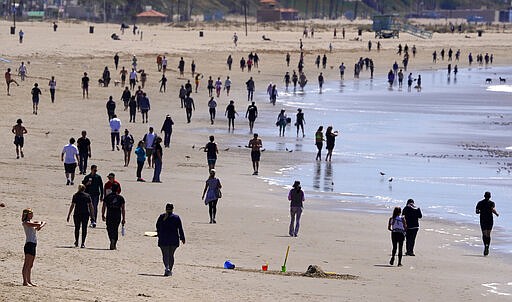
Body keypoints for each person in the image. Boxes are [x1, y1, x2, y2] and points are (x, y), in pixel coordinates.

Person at [156, 203, 185, 276]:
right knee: (171, 255)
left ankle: (167, 268)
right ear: (172, 209)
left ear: (166, 209)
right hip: (173, 239)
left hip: (163, 239)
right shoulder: (176, 217)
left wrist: (159, 234)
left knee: (165, 255)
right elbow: (180, 228)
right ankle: (170, 270)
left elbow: (157, 226)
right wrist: (182, 238)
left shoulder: (162, 217)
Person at [22, 208, 46, 286]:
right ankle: (25, 281)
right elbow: (38, 224)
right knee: (26, 263)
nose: (32, 215)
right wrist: (39, 225)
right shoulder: (25, 222)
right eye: (30, 213)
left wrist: (40, 226)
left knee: (30, 264)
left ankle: (29, 281)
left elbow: (43, 222)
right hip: (29, 244)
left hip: (33, 244)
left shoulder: (31, 222)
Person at [102, 184, 126, 250]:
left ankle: (111, 240)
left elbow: (104, 206)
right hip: (117, 215)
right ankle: (114, 242)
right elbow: (123, 209)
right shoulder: (121, 198)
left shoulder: (107, 197)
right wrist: (123, 218)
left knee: (109, 228)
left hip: (109, 214)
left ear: (111, 189)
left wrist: (102, 214)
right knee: (115, 229)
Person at [476, 192, 499, 256]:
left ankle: (485, 245)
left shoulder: (480, 203)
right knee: (488, 234)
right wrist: (496, 214)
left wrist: (481, 211)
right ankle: (487, 246)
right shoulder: (492, 203)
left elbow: (477, 211)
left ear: (484, 196)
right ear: (490, 197)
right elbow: (492, 209)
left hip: (483, 220)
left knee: (484, 234)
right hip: (490, 220)